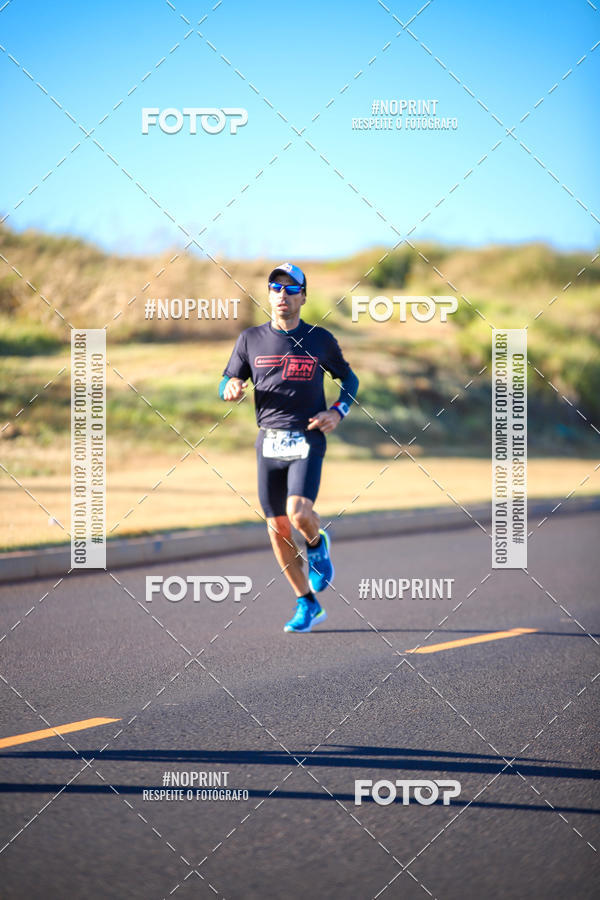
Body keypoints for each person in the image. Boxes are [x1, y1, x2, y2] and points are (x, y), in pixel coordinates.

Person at [219, 263, 359, 633]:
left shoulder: (319, 339)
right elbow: (228, 378)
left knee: (298, 514)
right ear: (268, 295)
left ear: (303, 297)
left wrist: (337, 411)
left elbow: (349, 379)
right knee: (277, 527)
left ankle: (316, 543)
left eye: (291, 289)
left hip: (307, 436)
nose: (283, 295)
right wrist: (229, 388)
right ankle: (306, 603)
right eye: (276, 288)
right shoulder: (250, 339)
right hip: (268, 440)